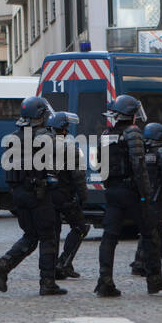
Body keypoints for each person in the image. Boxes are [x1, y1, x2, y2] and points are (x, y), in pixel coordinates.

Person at [94, 94, 162, 296]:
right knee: (150, 233)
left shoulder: (106, 134)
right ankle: (154, 279)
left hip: (112, 191)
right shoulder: (133, 133)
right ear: (130, 115)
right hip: (131, 191)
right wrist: (145, 194)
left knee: (109, 237)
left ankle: (105, 281)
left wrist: (110, 185)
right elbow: (139, 166)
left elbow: (100, 165)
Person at [0, 96, 65, 296]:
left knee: (31, 236)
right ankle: (47, 283)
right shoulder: (45, 138)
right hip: (39, 194)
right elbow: (54, 169)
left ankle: (3, 265)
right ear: (40, 116)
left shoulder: (14, 137)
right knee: (48, 237)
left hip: (19, 195)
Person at [131, 121, 162, 276]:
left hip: (142, 197)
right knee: (153, 231)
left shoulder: (141, 152)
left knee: (155, 229)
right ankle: (141, 264)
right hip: (157, 197)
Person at [49, 111, 92, 280]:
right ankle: (63, 263)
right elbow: (78, 177)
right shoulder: (69, 149)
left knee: (54, 232)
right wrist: (83, 196)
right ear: (65, 130)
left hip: (49, 195)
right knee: (80, 227)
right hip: (65, 196)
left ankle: (56, 266)